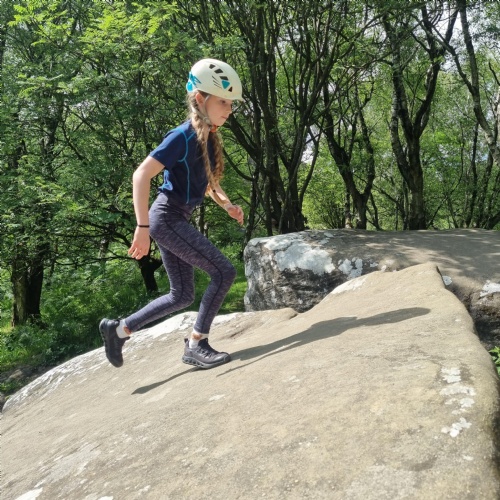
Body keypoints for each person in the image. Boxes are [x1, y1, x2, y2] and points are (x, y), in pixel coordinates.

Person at [99, 58, 244, 370]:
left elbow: (209, 182)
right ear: (200, 99)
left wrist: (227, 205)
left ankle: (118, 330)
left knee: (181, 295)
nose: (229, 109)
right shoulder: (182, 136)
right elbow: (141, 175)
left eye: (231, 103)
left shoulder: (208, 137)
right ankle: (197, 344)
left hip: (174, 219)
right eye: (223, 101)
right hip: (166, 218)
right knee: (224, 272)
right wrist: (142, 227)